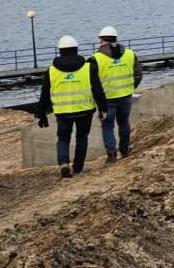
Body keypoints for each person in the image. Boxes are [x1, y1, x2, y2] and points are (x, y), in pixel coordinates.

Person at [36, 35, 106, 178]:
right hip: (84, 110)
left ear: (60, 51)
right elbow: (97, 90)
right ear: (76, 49)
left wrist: (41, 113)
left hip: (63, 112)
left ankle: (63, 163)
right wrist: (103, 108)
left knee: (63, 138)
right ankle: (78, 168)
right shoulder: (88, 68)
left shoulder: (52, 71)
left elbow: (45, 94)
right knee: (82, 138)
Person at [93, 26, 141, 162]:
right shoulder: (130, 54)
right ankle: (124, 149)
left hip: (106, 99)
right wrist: (131, 87)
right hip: (125, 96)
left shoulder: (95, 59)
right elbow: (138, 74)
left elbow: (92, 82)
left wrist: (96, 98)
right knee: (124, 122)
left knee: (107, 126)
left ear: (101, 40)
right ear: (116, 39)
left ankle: (112, 154)